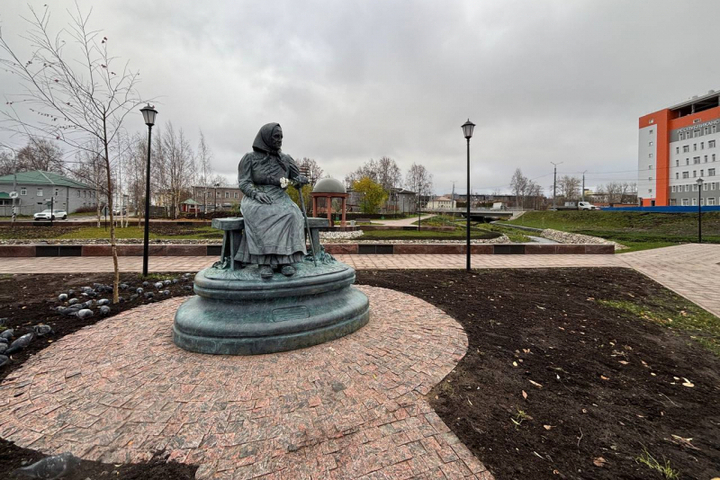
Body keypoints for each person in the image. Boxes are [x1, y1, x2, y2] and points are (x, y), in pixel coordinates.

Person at [236, 123, 309, 279]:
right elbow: (244, 182)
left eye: (281, 137)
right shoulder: (249, 158)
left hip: (279, 195)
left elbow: (296, 179)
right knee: (262, 212)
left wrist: (300, 181)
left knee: (292, 213)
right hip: (256, 196)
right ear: (265, 137)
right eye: (276, 136)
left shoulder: (286, 159)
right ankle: (264, 262)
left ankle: (285, 261)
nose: (279, 140)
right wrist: (255, 193)